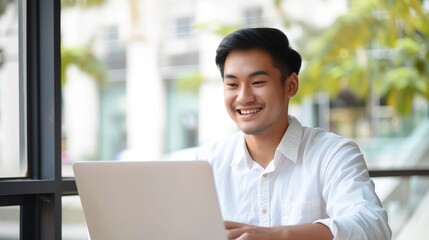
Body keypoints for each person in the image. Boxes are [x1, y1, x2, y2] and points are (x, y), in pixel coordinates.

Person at [196, 28, 391, 240]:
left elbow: (372, 228)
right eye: (232, 84)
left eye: (257, 82)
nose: (243, 97)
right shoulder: (206, 162)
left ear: (291, 85)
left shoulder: (333, 153)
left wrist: (278, 236)